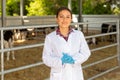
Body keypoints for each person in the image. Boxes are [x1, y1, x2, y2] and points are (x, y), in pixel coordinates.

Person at [42, 6, 91, 80]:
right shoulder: (50, 37)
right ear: (57, 19)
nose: (64, 20)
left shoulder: (79, 34)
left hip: (75, 75)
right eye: (61, 17)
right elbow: (46, 58)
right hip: (59, 75)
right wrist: (60, 61)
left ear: (71, 19)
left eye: (68, 17)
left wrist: (74, 59)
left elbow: (86, 52)